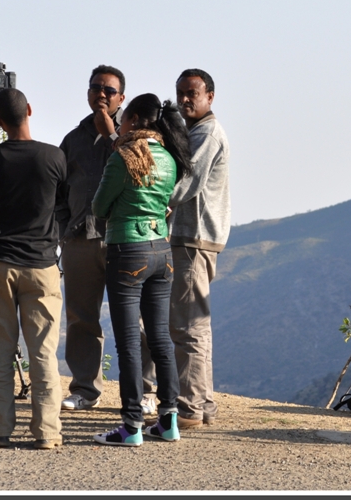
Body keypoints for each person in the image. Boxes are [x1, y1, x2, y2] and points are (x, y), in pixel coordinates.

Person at [91, 93, 193, 446]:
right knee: (161, 338)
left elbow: (99, 206)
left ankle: (131, 425)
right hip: (161, 252)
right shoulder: (170, 157)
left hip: (127, 252)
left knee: (129, 343)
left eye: (123, 119)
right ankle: (168, 421)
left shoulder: (124, 157)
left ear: (133, 120)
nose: (118, 123)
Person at [55, 65, 158, 413]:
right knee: (81, 317)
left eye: (109, 90)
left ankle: (145, 392)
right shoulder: (73, 139)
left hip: (125, 240)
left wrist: (113, 134)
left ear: (122, 98)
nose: (101, 94)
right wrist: (64, 230)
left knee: (136, 320)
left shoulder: (138, 139)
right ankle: (85, 390)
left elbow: (146, 177)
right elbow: (58, 190)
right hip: (81, 240)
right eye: (95, 87)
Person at [0, 87, 67, 450]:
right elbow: (62, 199)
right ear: (29, 110)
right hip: (42, 265)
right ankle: (47, 432)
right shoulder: (53, 157)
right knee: (43, 352)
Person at [167, 68, 231, 429]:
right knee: (197, 325)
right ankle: (202, 402)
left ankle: (188, 407)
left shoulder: (206, 132)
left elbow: (186, 182)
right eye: (181, 93)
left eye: (192, 93)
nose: (185, 99)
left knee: (187, 325)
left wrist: (156, 201)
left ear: (210, 96)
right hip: (197, 236)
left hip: (194, 236)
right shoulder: (195, 130)